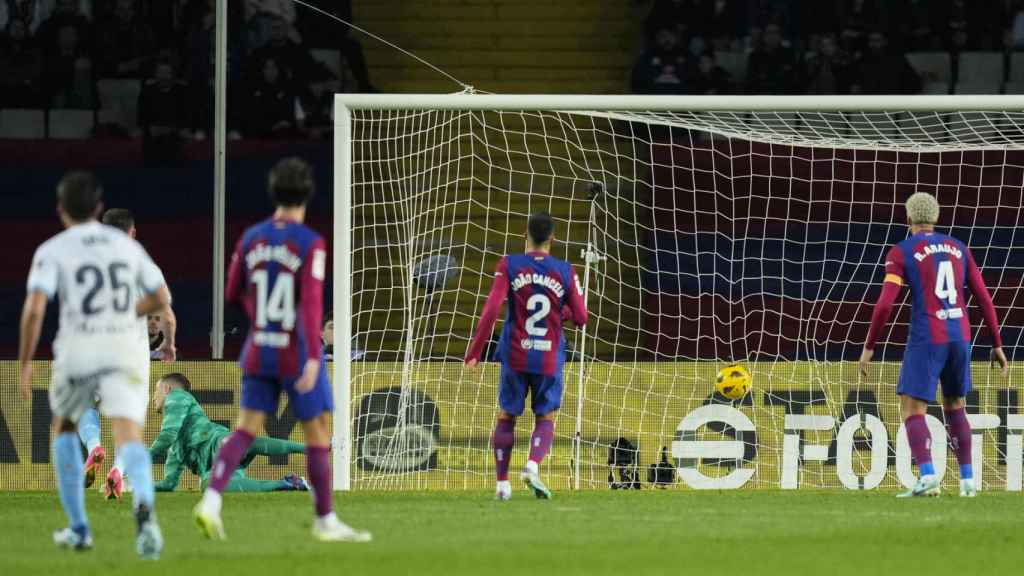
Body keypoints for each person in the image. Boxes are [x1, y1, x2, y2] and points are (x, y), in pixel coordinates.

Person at [193, 157, 371, 543]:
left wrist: (262, 319)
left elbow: (230, 292)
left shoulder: (251, 237)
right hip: (295, 351)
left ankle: (210, 501)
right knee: (318, 432)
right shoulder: (310, 243)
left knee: (244, 430)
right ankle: (325, 521)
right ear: (308, 194)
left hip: (258, 348)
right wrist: (311, 356)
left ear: (273, 192)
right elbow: (309, 305)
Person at [18, 172, 176, 558]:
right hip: (124, 349)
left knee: (65, 428)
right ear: (98, 207)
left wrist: (25, 362)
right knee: (129, 433)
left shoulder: (54, 249)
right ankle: (146, 522)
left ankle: (79, 528)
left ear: (61, 210)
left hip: (79, 346)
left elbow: (35, 308)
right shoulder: (131, 252)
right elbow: (162, 298)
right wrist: (134, 318)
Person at [859, 192, 1008, 498]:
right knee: (956, 406)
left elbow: (885, 304)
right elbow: (983, 297)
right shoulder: (959, 248)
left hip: (928, 336)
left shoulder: (902, 251)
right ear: (936, 217)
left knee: (912, 408)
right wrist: (997, 343)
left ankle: (927, 476)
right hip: (961, 337)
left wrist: (869, 346)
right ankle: (968, 481)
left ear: (909, 218)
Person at [464, 212, 588, 501]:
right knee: (546, 415)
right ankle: (532, 465)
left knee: (507, 415)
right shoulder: (566, 270)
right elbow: (582, 317)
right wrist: (562, 313)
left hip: (515, 353)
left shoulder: (510, 264)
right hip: (548, 356)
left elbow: (492, 309)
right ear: (553, 239)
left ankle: (502, 484)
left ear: (525, 235)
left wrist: (475, 352)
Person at [150, 373, 309, 493]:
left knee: (237, 443)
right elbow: (169, 484)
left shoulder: (176, 396)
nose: (153, 398)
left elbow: (168, 434)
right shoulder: (176, 449)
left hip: (219, 443)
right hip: (219, 465)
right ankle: (286, 483)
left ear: (167, 388)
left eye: (155, 391)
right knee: (207, 485)